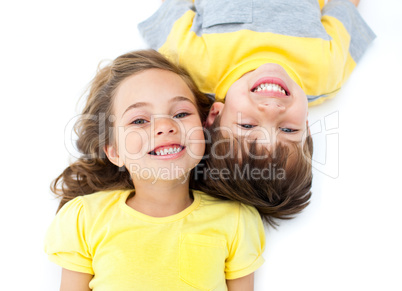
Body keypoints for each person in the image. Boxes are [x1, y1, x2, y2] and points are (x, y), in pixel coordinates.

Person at [138, 0, 376, 226]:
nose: (272, 109)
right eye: (287, 130)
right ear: (306, 126)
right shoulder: (326, 72)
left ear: (215, 115)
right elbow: (344, 7)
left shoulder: (191, 63)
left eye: (247, 126)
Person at [44, 50, 265, 290]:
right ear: (114, 151)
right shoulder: (84, 219)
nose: (165, 126)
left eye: (181, 113)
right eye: (139, 121)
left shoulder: (237, 220)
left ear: (202, 129)